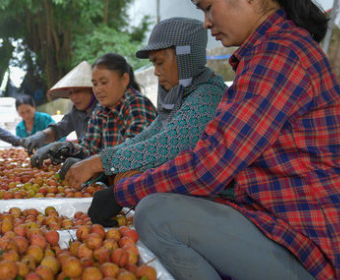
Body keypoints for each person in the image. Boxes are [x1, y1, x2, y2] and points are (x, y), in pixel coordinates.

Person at [88, 0, 340, 280]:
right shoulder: (269, 53)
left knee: (157, 214)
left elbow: (208, 165)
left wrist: (121, 192)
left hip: (317, 255)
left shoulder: (278, 57)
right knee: (162, 202)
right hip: (290, 231)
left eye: (208, 7)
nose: (206, 23)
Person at [65, 18, 227, 189]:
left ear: (184, 57)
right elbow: (147, 136)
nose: (156, 72)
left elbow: (167, 145)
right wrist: (95, 161)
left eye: (160, 63)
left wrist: (100, 163)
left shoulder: (207, 96)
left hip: (221, 198)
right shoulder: (181, 97)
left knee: (127, 178)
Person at [31, 53, 157, 175]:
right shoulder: (100, 110)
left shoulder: (136, 104)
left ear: (124, 79)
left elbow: (133, 153)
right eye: (95, 84)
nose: (98, 89)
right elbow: (90, 149)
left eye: (104, 82)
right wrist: (64, 148)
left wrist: (92, 165)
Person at [24, 61, 97, 163]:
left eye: (78, 91)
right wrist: (42, 135)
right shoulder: (76, 112)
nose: (73, 97)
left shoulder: (103, 112)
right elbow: (59, 129)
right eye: (70, 93)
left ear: (92, 90)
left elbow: (100, 150)